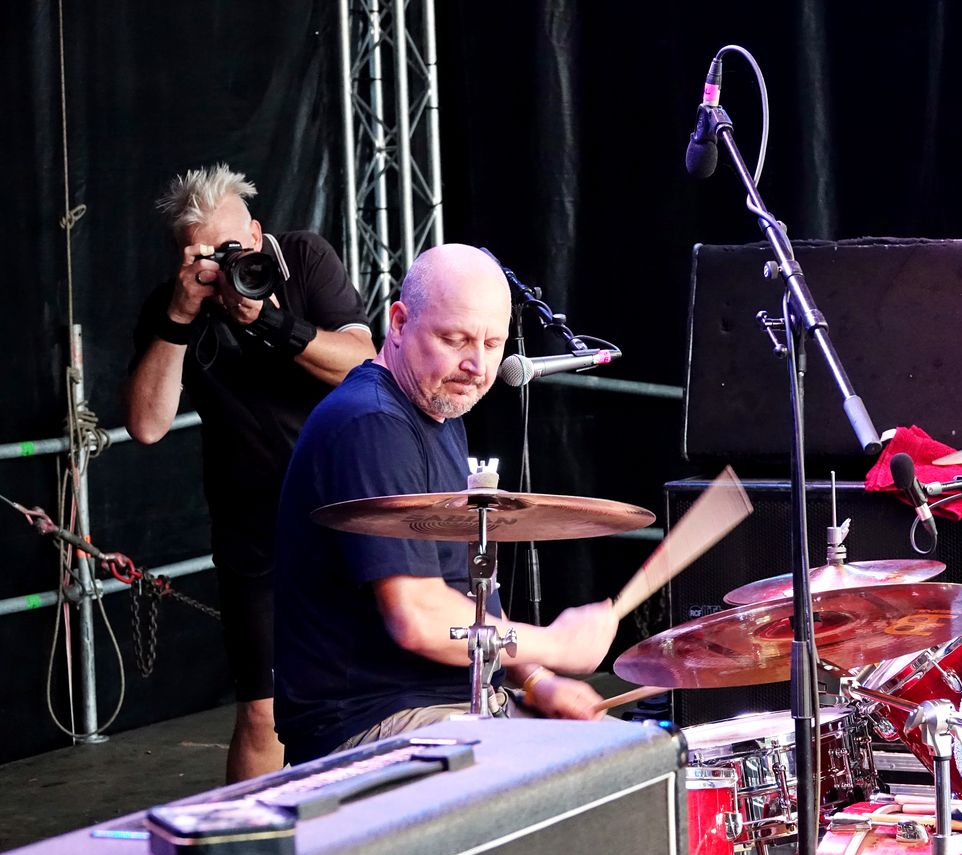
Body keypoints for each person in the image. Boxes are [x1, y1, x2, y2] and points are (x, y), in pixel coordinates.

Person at [273, 243, 614, 765]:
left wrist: (535, 678)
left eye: (493, 343)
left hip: (457, 703)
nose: (477, 365)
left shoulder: (438, 410)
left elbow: (471, 594)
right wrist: (554, 643)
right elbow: (419, 616)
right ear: (399, 323)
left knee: (640, 756)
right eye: (454, 339)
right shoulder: (373, 423)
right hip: (374, 721)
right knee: (596, 774)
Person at [125, 165, 375, 782]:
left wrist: (266, 320)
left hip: (348, 505)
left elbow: (363, 364)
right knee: (262, 713)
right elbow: (147, 425)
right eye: (209, 256)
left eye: (237, 247)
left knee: (373, 684)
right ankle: (252, 837)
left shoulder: (303, 259)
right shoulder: (172, 306)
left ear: (258, 234)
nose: (229, 264)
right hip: (254, 527)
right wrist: (179, 315)